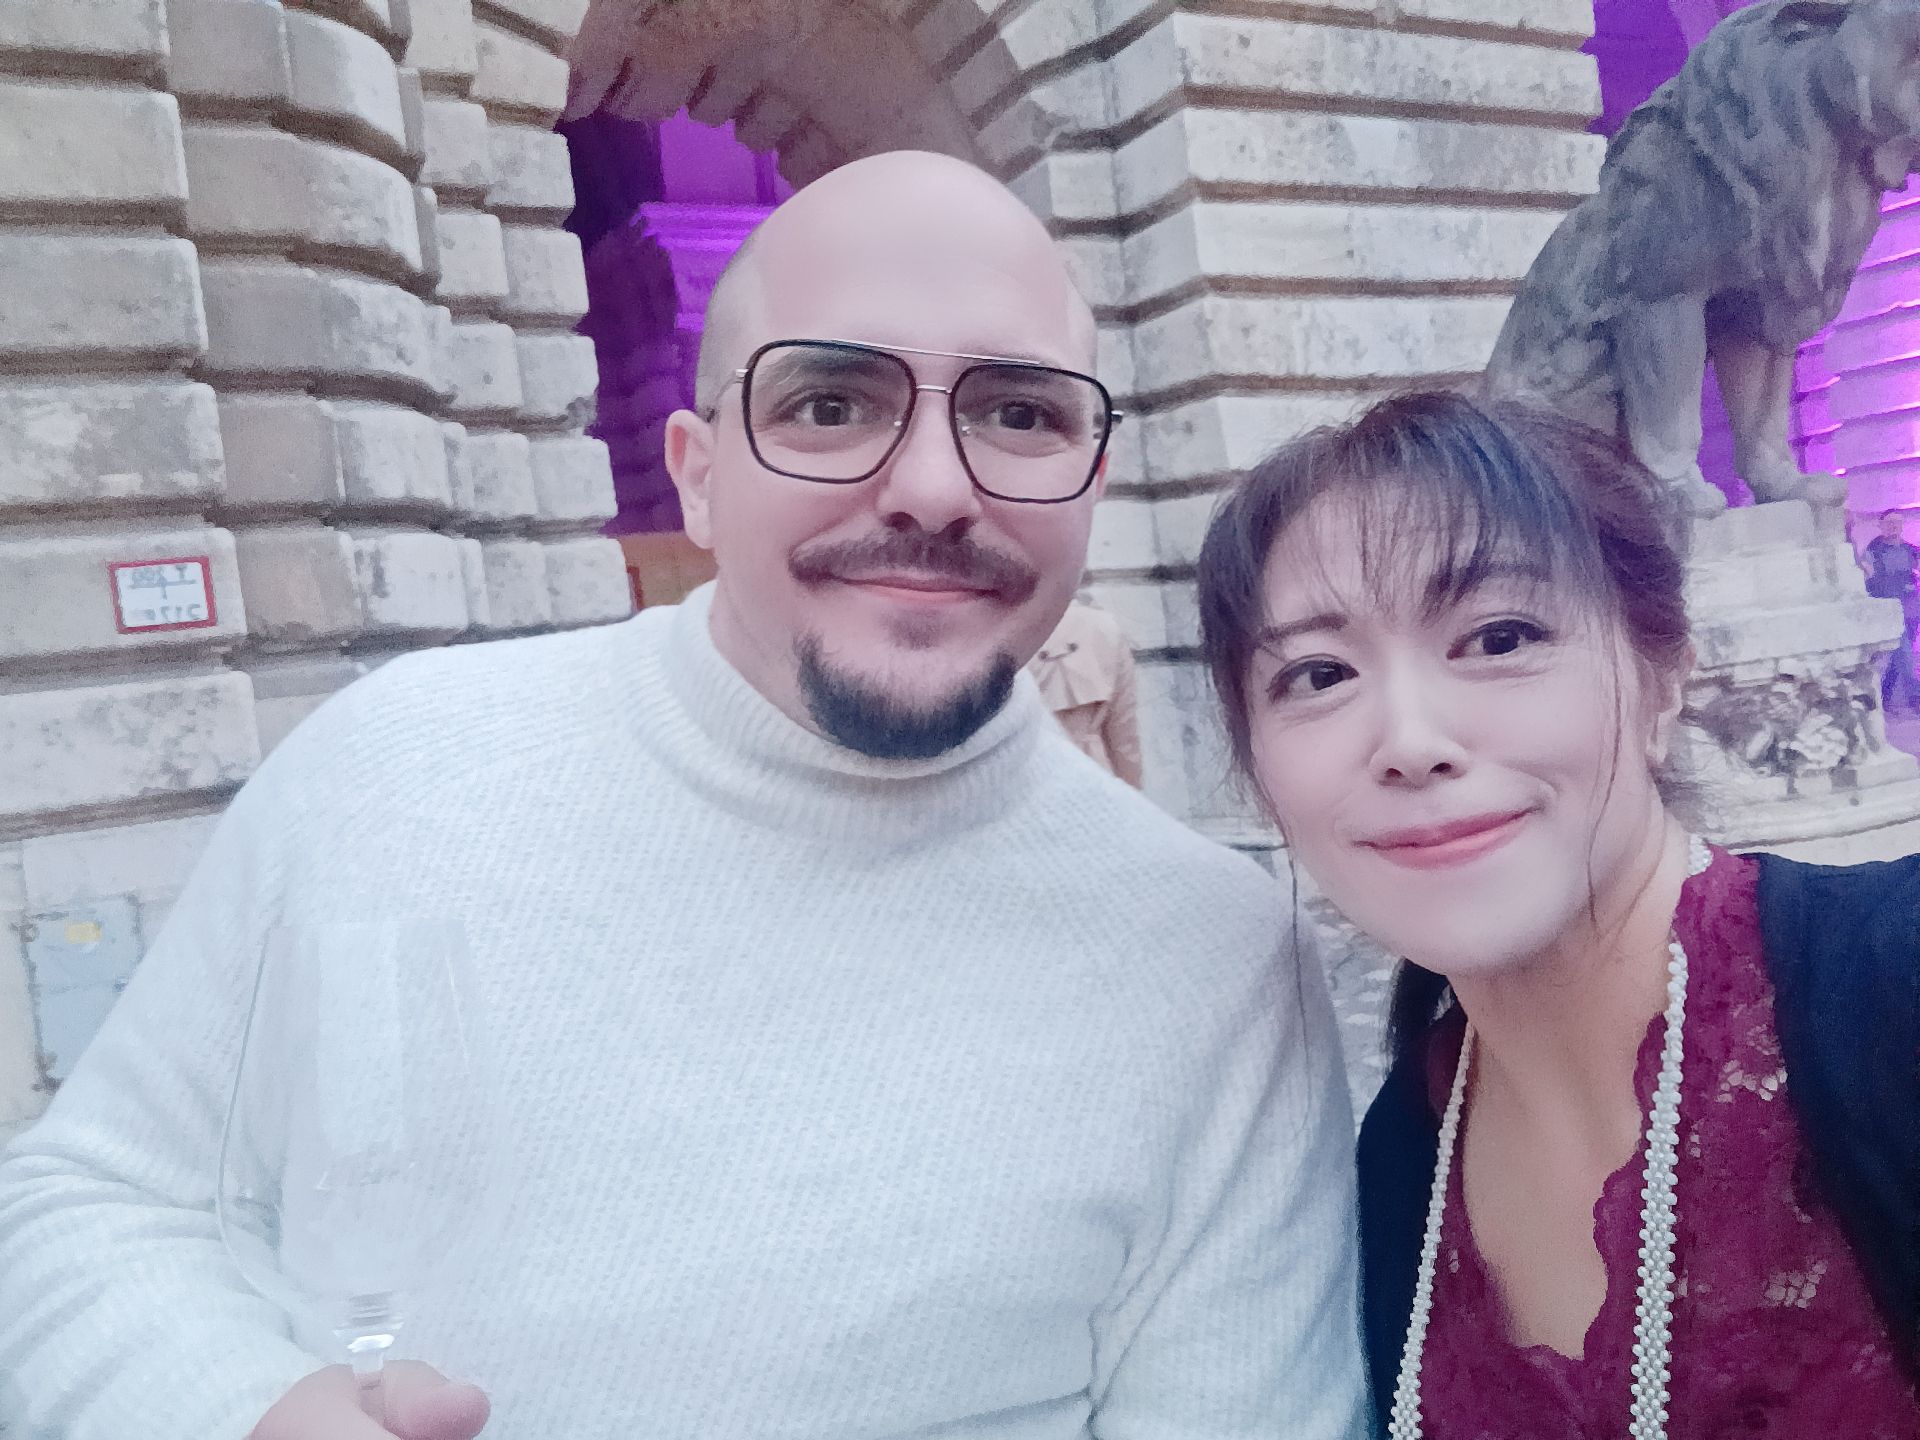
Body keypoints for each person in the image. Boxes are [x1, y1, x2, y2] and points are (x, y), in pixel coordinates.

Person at [0, 152, 1368, 1440]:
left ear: (1091, 478)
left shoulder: (1216, 960)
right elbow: (90, 1201)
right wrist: (238, 1409)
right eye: (830, 404)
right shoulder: (387, 768)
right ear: (698, 478)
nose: (934, 489)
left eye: (1019, 413)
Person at [1196, 391, 1919, 1438]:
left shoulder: (1894, 990)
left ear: (1661, 681)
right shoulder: (1399, 1159)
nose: (1410, 740)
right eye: (1319, 674)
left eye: (1500, 636)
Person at [1026, 597, 1144, 786]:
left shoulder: (999, 631)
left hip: (1029, 779)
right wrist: (1131, 793)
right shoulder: (1103, 627)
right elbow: (1124, 737)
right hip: (1094, 775)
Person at [1863, 509, 1919, 714]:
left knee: (1899, 656)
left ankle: (1885, 696)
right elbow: (1869, 580)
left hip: (1911, 610)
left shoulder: (1911, 551)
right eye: (1889, 522)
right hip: (1890, 611)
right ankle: (1915, 698)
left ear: (1902, 525)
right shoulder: (1873, 551)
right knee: (1905, 654)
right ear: (1881, 526)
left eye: (1897, 522)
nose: (1893, 526)